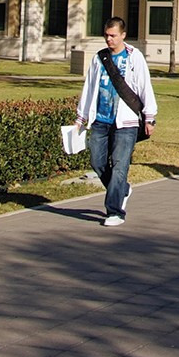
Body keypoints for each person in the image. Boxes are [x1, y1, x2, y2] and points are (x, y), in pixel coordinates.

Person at [75, 16, 157, 227]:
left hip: (126, 121)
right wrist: (81, 118)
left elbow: (144, 86)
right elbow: (89, 88)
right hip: (101, 120)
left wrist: (150, 118)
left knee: (120, 166)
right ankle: (122, 189)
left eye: (113, 35)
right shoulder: (99, 58)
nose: (109, 39)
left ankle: (115, 211)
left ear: (123, 35)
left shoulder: (134, 57)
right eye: (106, 35)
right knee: (98, 162)